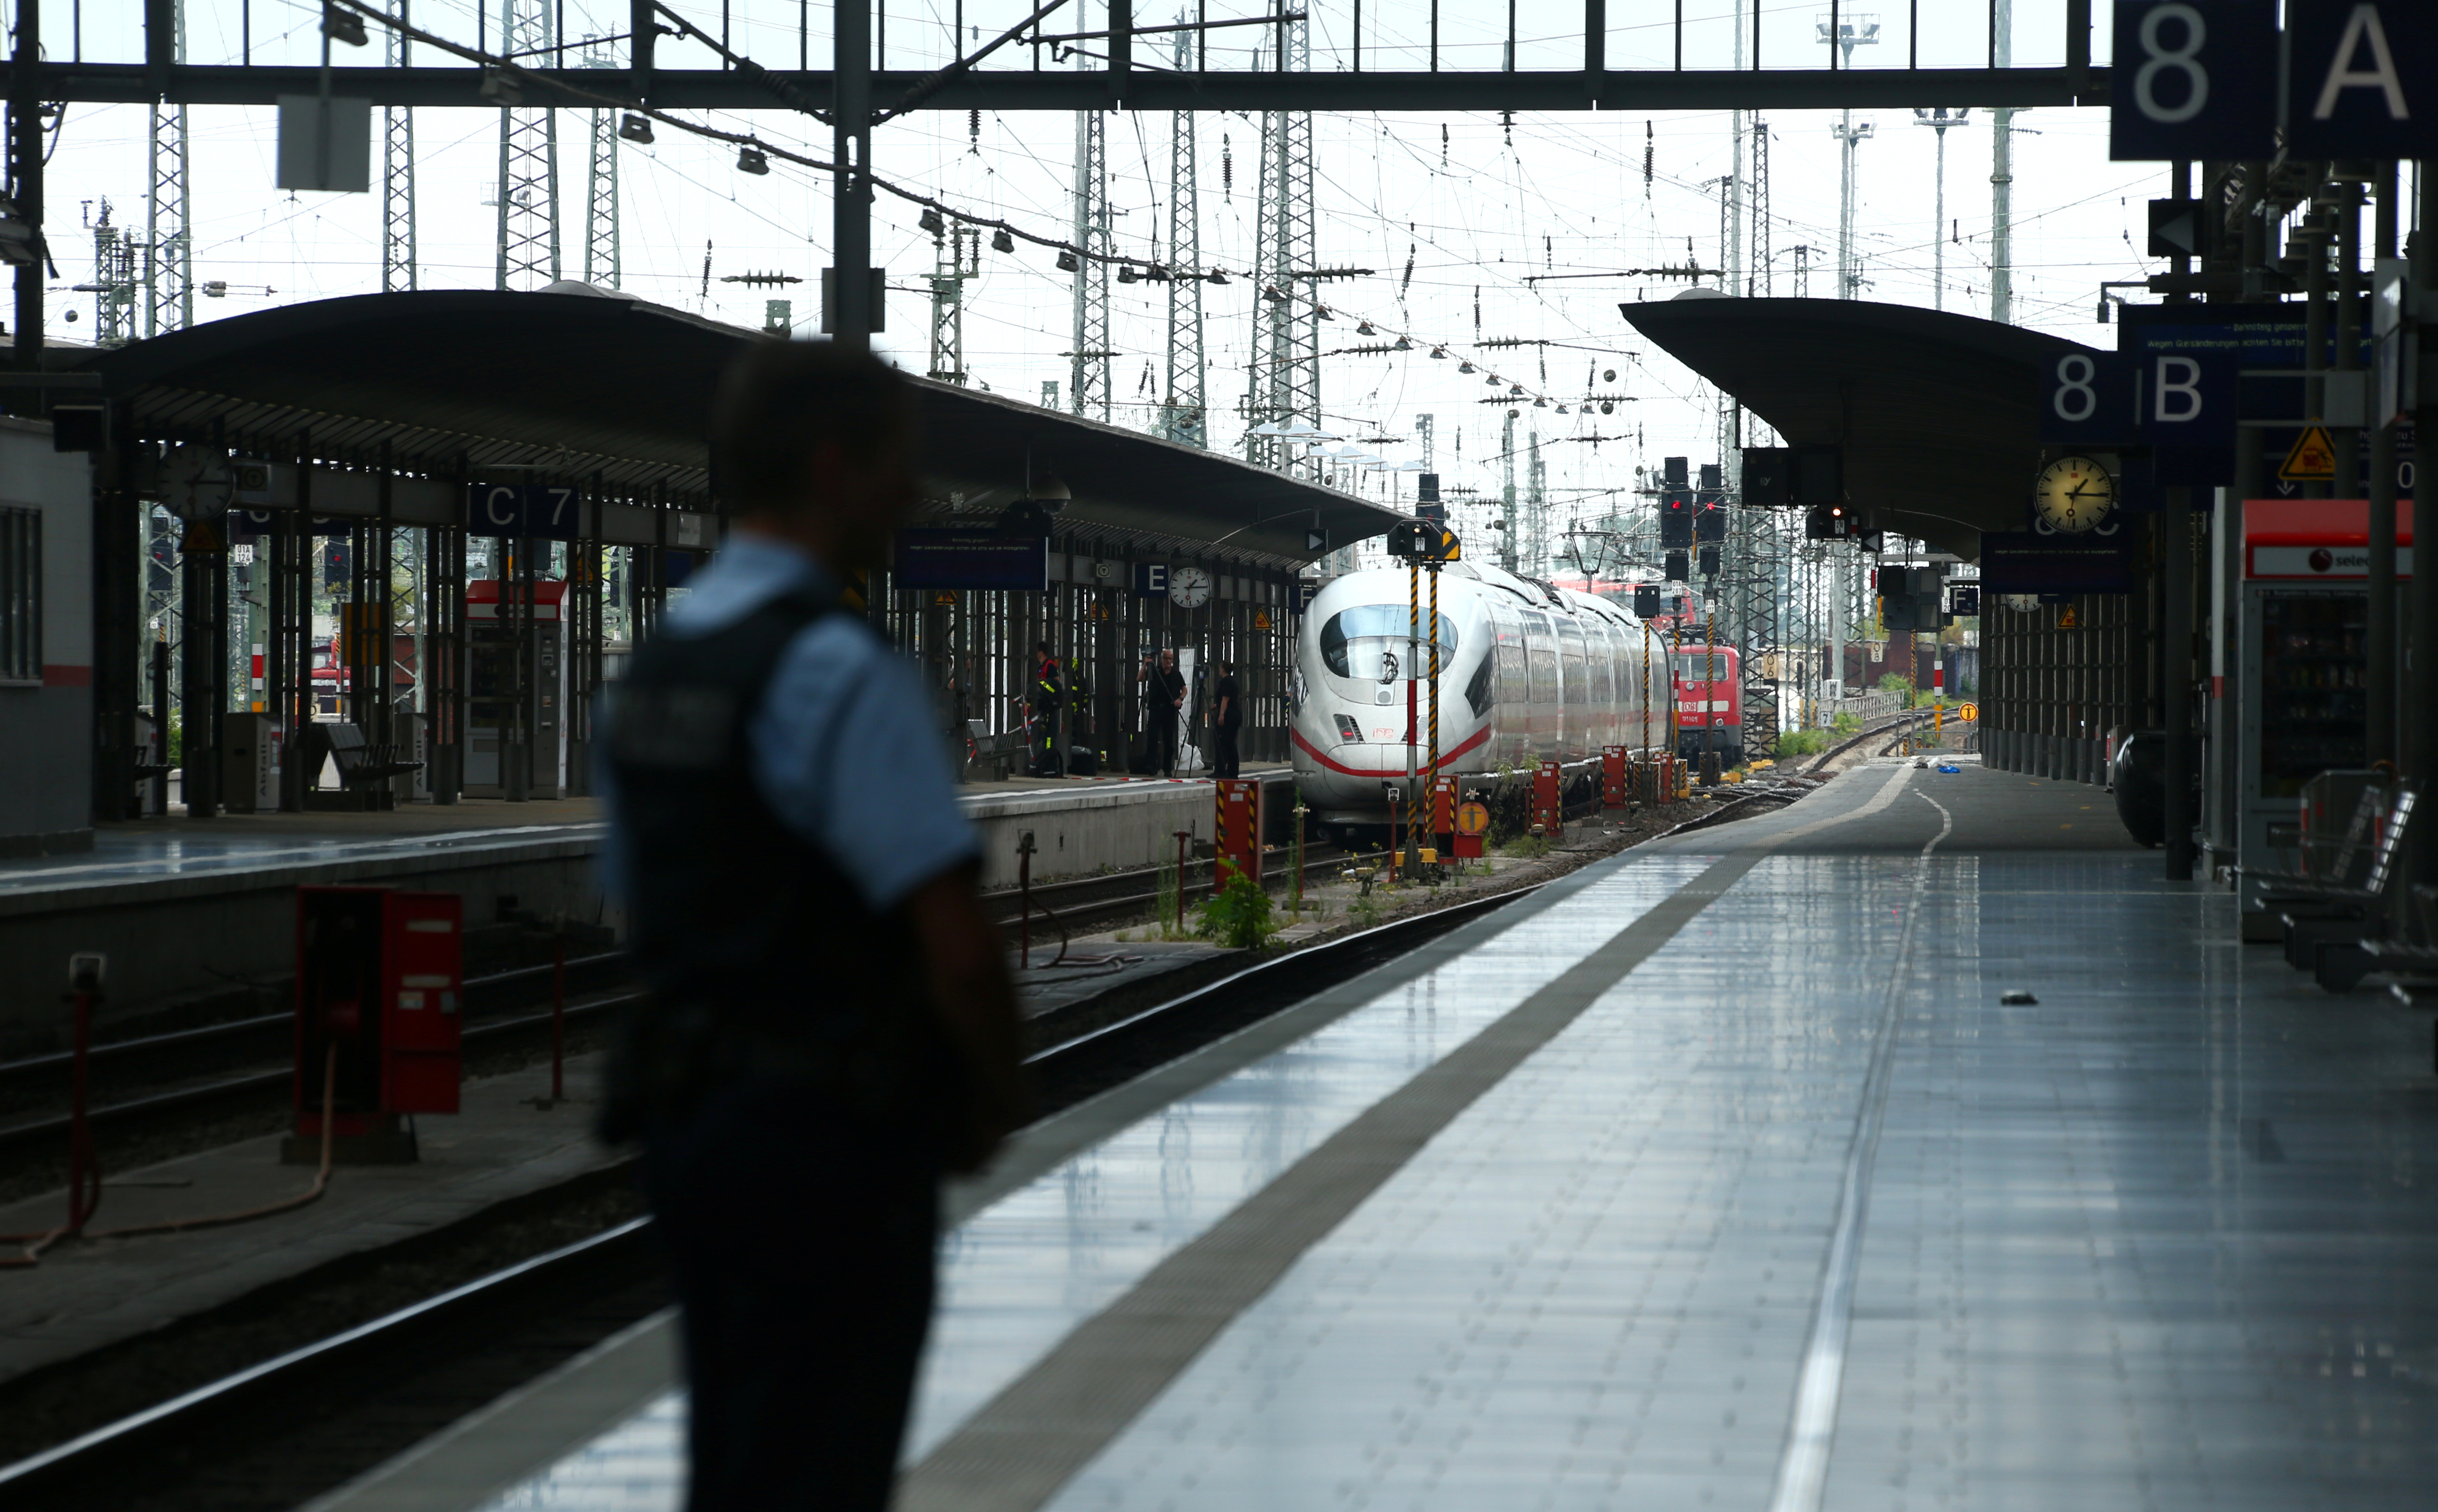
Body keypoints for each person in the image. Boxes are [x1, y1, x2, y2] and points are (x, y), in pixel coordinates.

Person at [598, 341, 1026, 1512]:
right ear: (836, 471)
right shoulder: (837, 670)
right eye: (901, 466)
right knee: (825, 1464)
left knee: (735, 1453)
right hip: (830, 1137)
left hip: (690, 1126)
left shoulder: (654, 676)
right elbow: (952, 933)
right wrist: (992, 1093)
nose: (918, 497)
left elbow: (642, 902)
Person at [1138, 647, 1186, 777]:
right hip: (1155, 708)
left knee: (1169, 740)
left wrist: (1180, 699)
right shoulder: (1155, 670)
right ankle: (1151, 766)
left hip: (1169, 709)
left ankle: (1167, 768)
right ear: (1162, 659)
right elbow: (1140, 678)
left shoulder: (1176, 674)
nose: (1169, 661)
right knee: (1152, 739)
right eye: (1167, 658)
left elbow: (1184, 690)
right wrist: (1146, 664)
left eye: (1171, 659)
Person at [1024, 640, 1064, 777]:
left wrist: (1045, 689)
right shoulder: (1040, 667)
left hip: (1050, 709)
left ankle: (1048, 766)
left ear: (1041, 652)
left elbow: (1056, 685)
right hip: (1042, 708)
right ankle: (1042, 765)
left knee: (1048, 738)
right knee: (1042, 736)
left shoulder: (1050, 666)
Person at [1210, 658, 1243, 779]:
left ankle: (1222, 770)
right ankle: (1232, 771)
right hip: (1235, 715)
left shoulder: (1226, 682)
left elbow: (1226, 699)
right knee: (1230, 743)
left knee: (1223, 743)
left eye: (1220, 668)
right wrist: (1217, 706)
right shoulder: (1233, 681)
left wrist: (1221, 714)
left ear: (1223, 670)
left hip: (1229, 716)